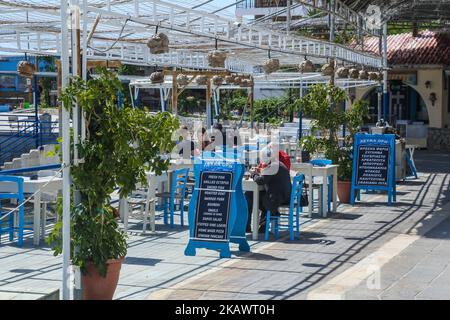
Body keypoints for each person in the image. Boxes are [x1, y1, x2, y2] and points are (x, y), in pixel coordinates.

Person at [245, 145, 292, 233]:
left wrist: (253, 174)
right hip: (283, 195)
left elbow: (261, 181)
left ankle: (250, 226)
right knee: (250, 194)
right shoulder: (277, 163)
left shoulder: (273, 166)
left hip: (278, 197)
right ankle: (261, 224)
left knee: (249, 195)